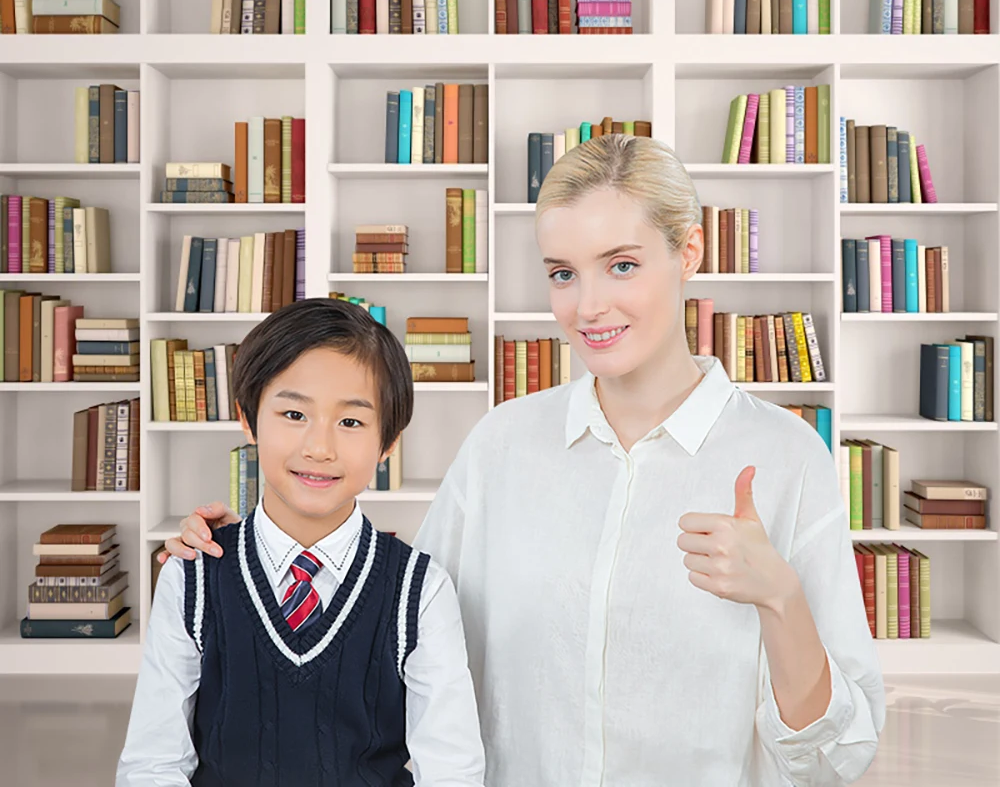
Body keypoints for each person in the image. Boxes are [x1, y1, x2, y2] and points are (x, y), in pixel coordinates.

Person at [163, 134, 885, 786]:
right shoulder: (502, 446)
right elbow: (399, 636)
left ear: (688, 253)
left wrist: (780, 599)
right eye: (563, 274)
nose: (589, 306)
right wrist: (254, 550)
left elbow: (837, 753)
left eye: (622, 265)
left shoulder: (786, 458)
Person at [118, 298, 485, 786]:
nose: (319, 447)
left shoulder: (420, 593)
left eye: (351, 422)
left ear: (389, 441)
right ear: (248, 419)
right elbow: (153, 763)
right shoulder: (193, 576)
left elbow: (452, 770)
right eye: (294, 414)